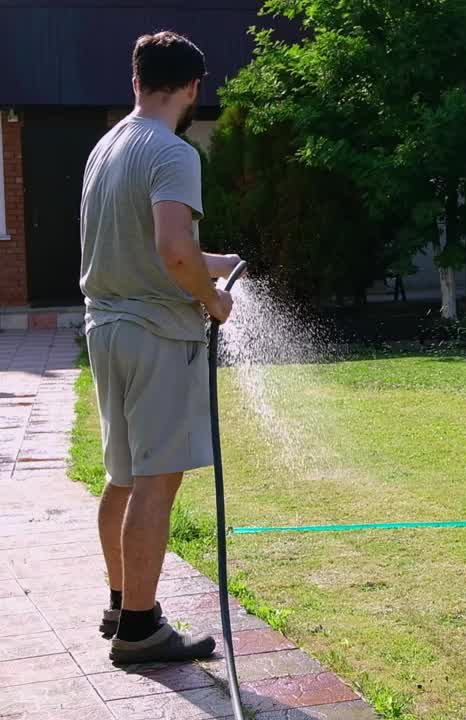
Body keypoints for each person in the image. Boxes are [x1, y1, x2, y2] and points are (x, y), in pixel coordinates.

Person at [80, 30, 240, 664]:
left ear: (137, 80)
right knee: (156, 480)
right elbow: (173, 253)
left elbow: (148, 249)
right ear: (194, 87)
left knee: (121, 477)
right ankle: (141, 630)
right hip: (154, 335)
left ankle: (122, 603)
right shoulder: (173, 153)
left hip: (106, 327)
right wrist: (213, 299)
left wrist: (216, 263)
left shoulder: (108, 145)